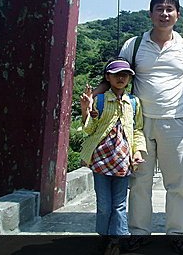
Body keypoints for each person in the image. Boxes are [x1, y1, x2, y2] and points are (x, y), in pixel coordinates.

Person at [94, 0, 183, 254]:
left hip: (175, 120)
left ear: (178, 14)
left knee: (176, 183)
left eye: (169, 9)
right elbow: (116, 76)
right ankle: (139, 232)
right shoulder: (134, 45)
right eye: (159, 9)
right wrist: (94, 99)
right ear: (150, 14)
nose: (164, 14)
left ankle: (177, 233)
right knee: (140, 181)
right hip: (137, 123)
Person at [80, 58, 147, 254]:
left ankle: (116, 239)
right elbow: (89, 130)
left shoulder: (134, 103)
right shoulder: (99, 100)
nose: (121, 78)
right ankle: (105, 235)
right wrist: (86, 110)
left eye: (125, 74)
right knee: (104, 204)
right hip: (101, 160)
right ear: (107, 77)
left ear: (130, 79)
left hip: (123, 161)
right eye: (116, 74)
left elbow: (138, 130)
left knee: (119, 204)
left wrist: (138, 152)